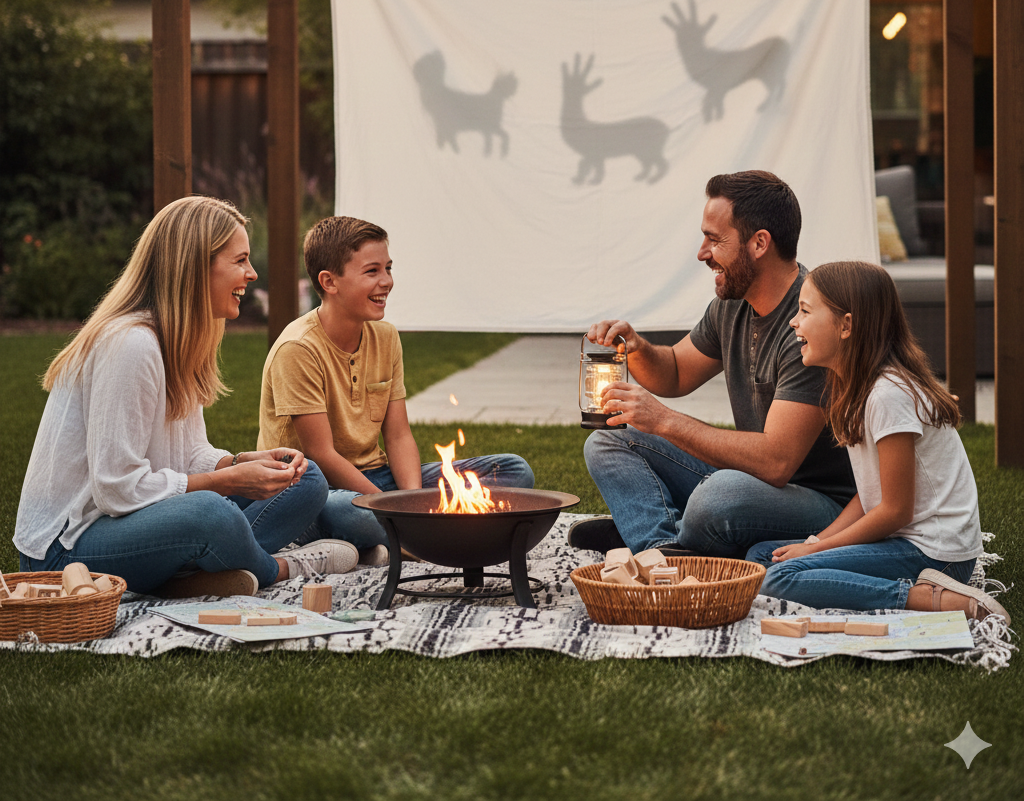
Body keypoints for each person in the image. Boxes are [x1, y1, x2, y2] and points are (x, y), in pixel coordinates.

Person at [14, 196, 358, 598]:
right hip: (67, 550)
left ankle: (198, 572)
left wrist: (240, 463)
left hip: (137, 519)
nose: (251, 273)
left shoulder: (179, 340)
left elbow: (190, 453)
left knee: (306, 478)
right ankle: (277, 568)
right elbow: (116, 488)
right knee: (209, 512)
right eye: (240, 260)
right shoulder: (130, 344)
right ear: (195, 266)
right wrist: (226, 482)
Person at [569, 170, 856, 557]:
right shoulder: (733, 306)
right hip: (751, 481)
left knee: (719, 496)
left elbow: (777, 462)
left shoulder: (809, 323)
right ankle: (664, 550)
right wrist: (636, 347)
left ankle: (652, 530)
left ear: (759, 243)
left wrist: (664, 420)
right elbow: (675, 372)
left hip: (820, 505)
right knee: (608, 442)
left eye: (715, 240)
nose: (702, 253)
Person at [745, 261, 1008, 623]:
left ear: (846, 326)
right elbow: (871, 497)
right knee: (762, 556)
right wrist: (815, 543)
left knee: (778, 578)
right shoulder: (857, 388)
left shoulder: (888, 394)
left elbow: (895, 511)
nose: (793, 321)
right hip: (904, 541)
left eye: (805, 311)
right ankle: (874, 584)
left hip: (936, 554)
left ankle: (925, 598)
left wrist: (819, 550)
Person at [258, 216, 534, 557]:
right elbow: (322, 455)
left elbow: (399, 435)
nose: (386, 281)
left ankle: (396, 539)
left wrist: (412, 502)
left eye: (388, 268)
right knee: (344, 512)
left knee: (514, 472)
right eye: (372, 271)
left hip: (379, 479)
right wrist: (394, 508)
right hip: (315, 492)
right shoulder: (298, 349)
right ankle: (417, 535)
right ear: (329, 282)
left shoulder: (386, 337)